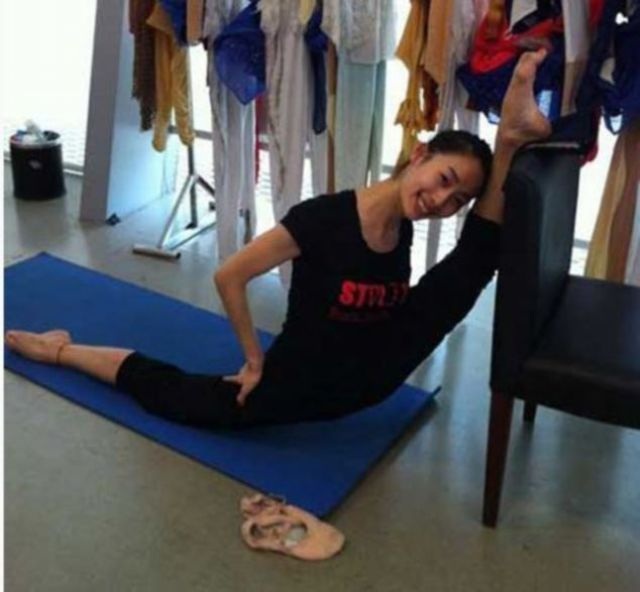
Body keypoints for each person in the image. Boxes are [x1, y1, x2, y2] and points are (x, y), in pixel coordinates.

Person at [5, 49, 552, 430]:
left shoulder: (404, 222)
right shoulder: (322, 219)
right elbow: (229, 275)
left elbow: (467, 261)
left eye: (458, 200)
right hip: (305, 382)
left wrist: (495, 166)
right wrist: (253, 360)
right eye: (444, 180)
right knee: (179, 400)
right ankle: (62, 350)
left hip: (376, 370)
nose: (441, 201)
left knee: (470, 268)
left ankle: (509, 137)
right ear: (419, 156)